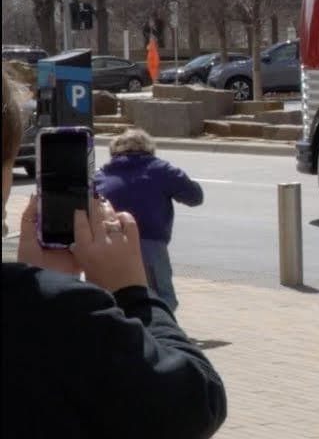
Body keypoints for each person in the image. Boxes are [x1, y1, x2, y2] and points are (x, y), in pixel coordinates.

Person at [1, 67, 226, 438]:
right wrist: (133, 293)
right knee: (163, 292)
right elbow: (196, 404)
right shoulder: (50, 314)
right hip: (141, 252)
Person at [94, 128, 204, 313]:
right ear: (149, 149)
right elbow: (195, 197)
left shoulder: (100, 176)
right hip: (150, 242)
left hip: (110, 242)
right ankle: (161, 335)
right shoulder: (160, 169)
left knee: (113, 294)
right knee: (162, 298)